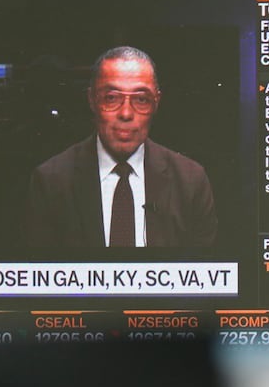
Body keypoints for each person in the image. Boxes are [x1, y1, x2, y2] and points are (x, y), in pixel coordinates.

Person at [26, 46, 217, 248]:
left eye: (141, 99)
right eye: (111, 98)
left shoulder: (191, 181)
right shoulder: (50, 181)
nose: (126, 113)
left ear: (156, 103)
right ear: (91, 100)